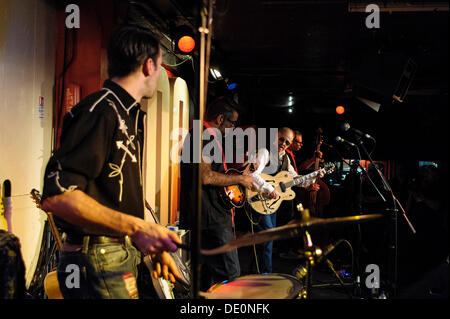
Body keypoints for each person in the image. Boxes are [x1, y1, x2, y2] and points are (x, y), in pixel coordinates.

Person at [41, 25, 182, 299]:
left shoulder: (127, 114)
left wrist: (150, 247)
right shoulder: (102, 111)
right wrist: (140, 228)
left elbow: (114, 197)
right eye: (160, 66)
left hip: (115, 252)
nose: (160, 74)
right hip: (98, 256)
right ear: (149, 65)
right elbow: (57, 196)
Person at [179, 97, 254, 292]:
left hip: (205, 217)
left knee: (206, 279)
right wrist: (240, 180)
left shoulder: (203, 135)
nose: (233, 128)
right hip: (211, 220)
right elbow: (206, 177)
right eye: (233, 123)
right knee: (231, 278)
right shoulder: (203, 135)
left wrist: (238, 173)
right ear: (221, 119)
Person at [248, 127, 324, 272]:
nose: (284, 143)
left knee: (265, 239)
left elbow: (295, 179)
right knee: (268, 236)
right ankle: (266, 276)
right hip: (258, 198)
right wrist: (269, 189)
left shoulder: (286, 158)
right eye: (281, 139)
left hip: (271, 203)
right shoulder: (265, 152)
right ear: (275, 137)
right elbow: (252, 175)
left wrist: (314, 175)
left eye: (287, 142)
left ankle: (255, 272)